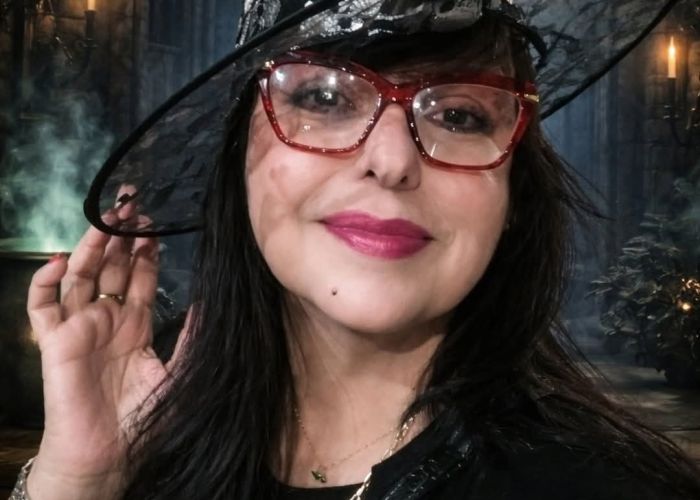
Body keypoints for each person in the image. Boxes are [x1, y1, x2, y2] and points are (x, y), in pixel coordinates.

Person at [12, 0, 700, 499]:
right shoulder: (143, 422)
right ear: (237, 154)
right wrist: (80, 479)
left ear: (513, 192)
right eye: (323, 97)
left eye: (458, 115)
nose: (393, 161)